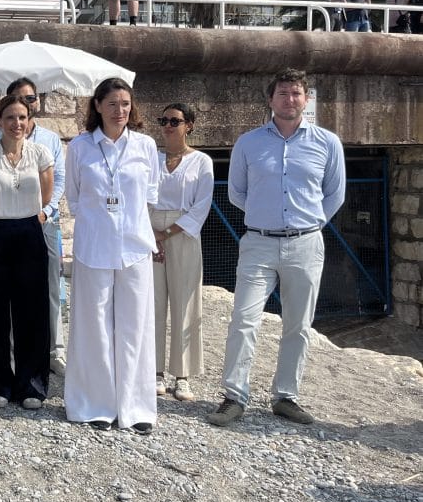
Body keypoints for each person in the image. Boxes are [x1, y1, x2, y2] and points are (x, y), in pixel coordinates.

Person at [208, 69, 346, 427]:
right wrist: (265, 217)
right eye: (283, 93)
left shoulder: (327, 143)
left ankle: (286, 396)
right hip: (259, 242)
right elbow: (237, 192)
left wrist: (309, 223)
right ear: (270, 100)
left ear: (307, 99)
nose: (290, 100)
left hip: (306, 243)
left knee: (299, 325)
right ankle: (234, 396)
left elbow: (335, 194)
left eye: (297, 93)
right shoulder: (248, 143)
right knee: (243, 319)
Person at [64, 77, 159, 434]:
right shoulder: (81, 147)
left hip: (134, 246)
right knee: (94, 327)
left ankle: (135, 408)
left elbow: (151, 193)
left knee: (135, 328)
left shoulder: (146, 146)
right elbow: (74, 197)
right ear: (98, 106)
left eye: (126, 104)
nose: (120, 111)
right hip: (94, 246)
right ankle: (95, 404)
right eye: (113, 104)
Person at [0, 95, 54, 409]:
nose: (17, 124)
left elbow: (44, 195)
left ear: (29, 120)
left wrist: (27, 215)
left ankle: (31, 384)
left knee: (32, 312)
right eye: (10, 118)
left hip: (29, 233)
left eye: (22, 117)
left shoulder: (41, 153)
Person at [0, 77, 67, 374]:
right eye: (19, 100)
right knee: (12, 290)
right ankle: (12, 351)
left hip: (43, 222)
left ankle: (54, 349)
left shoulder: (50, 140)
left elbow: (58, 180)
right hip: (8, 224)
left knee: (50, 285)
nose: (25, 107)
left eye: (30, 100)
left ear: (35, 104)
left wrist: (45, 211)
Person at [150, 104, 214, 402]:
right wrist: (151, 234)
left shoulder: (201, 161)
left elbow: (201, 205)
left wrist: (167, 233)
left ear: (189, 125)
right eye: (163, 120)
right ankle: (154, 370)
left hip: (183, 232)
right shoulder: (152, 158)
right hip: (150, 231)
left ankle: (182, 374)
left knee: (185, 303)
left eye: (174, 121)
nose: (168, 126)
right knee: (152, 303)